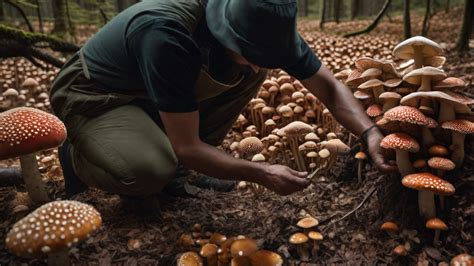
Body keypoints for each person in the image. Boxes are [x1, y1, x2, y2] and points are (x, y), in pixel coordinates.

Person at [49, 0, 396, 215]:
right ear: (227, 32)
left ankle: (175, 175)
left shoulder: (265, 25)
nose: (261, 66)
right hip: (97, 92)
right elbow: (186, 147)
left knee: (244, 75)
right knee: (150, 171)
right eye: (256, 57)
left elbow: (331, 88)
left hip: (158, 89)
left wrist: (370, 131)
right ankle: (79, 159)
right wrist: (258, 172)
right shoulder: (168, 34)